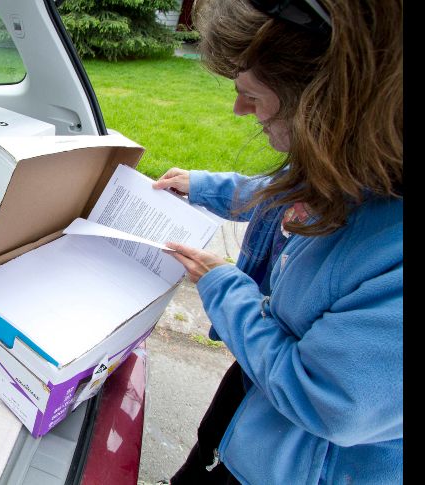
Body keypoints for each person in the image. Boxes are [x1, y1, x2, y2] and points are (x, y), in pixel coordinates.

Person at [151, 0, 403, 483]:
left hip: (293, 466)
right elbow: (284, 193)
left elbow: (322, 398)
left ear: (326, 101)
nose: (239, 108)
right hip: (255, 387)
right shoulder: (346, 162)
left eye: (252, 94)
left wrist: (223, 286)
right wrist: (205, 186)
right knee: (205, 448)